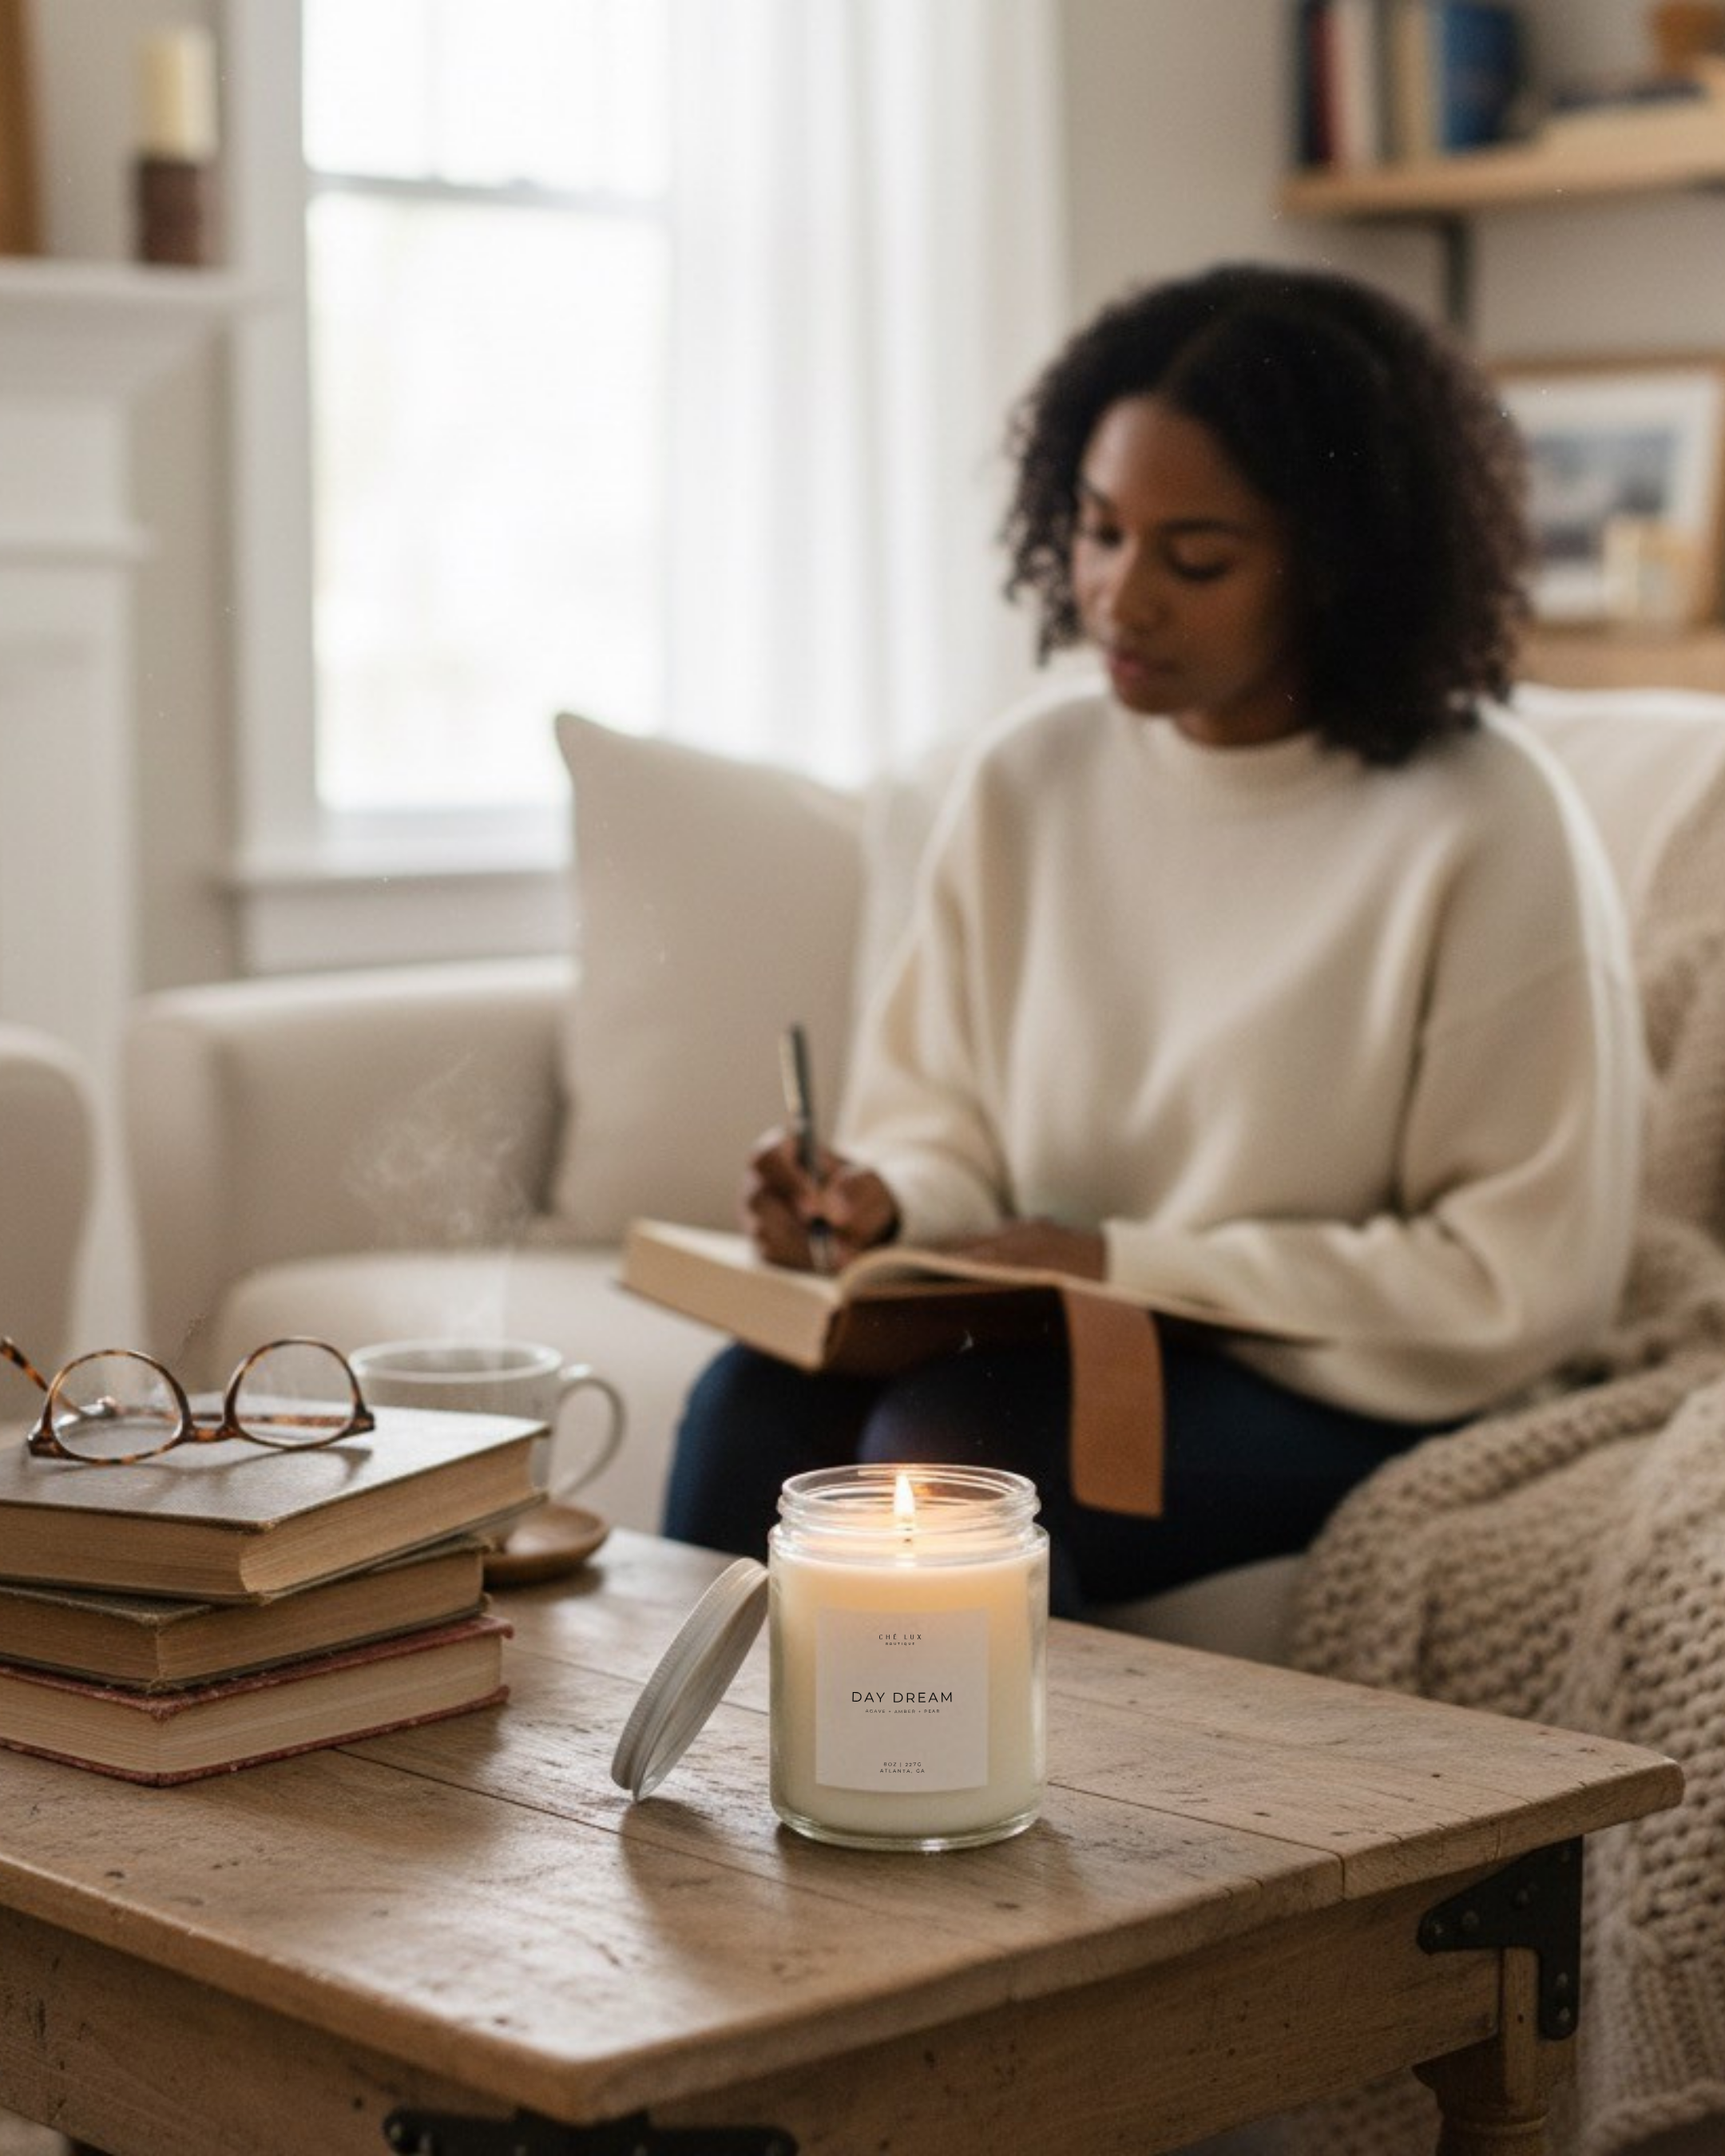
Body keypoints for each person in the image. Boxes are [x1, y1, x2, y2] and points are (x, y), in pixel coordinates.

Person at [660, 261, 1644, 1617]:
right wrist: (881, 1200)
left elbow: (1516, 1281)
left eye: (1196, 559)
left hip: (1351, 1376)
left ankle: (940, 1824)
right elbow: (945, 1122)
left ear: (1336, 566)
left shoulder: (1486, 823)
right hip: (1071, 1335)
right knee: (753, 1411)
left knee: (949, 1472)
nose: (1122, 600)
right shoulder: (1029, 779)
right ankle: (681, 1816)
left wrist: (1129, 1265)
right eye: (1101, 531)